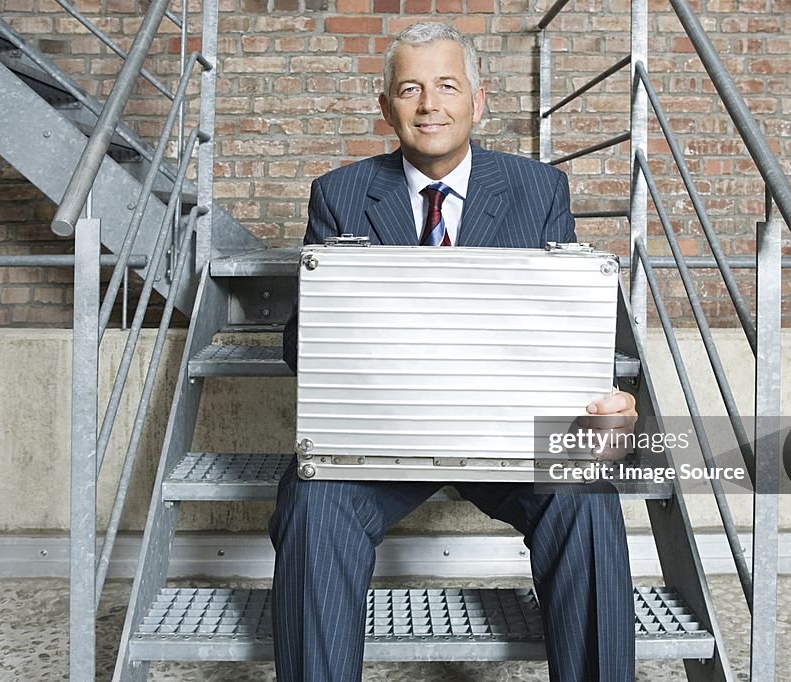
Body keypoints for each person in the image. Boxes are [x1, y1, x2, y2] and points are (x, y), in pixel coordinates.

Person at [270, 22, 637, 681]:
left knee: (585, 492)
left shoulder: (537, 189)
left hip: (509, 432)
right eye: (409, 89)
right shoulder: (342, 193)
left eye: (447, 86)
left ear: (478, 99)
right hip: (381, 433)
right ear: (386, 107)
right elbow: (303, 346)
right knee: (313, 502)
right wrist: (342, 316)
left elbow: (564, 326)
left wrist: (599, 398)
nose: (429, 105)